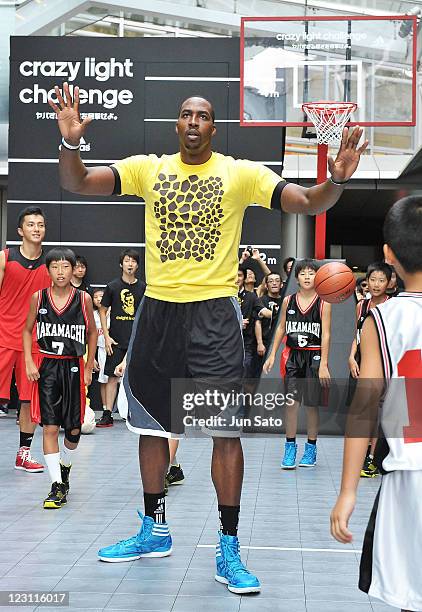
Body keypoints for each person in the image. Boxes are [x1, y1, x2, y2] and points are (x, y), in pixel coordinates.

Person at [49, 82, 367, 594]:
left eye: (202, 116)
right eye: (185, 115)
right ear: (176, 125)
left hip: (214, 318)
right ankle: (154, 529)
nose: (193, 121)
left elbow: (307, 200)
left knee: (226, 431)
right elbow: (80, 181)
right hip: (159, 314)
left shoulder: (238, 174)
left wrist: (334, 181)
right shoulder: (149, 169)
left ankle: (228, 544)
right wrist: (68, 142)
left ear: (213, 128)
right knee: (151, 426)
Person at [331, 195, 422, 612]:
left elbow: (365, 407)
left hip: (410, 472)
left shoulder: (383, 319)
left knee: (410, 594)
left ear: (388, 255)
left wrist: (348, 491)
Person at [22, 247, 96, 509]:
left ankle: (64, 466)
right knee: (50, 426)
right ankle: (56, 485)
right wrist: (30, 361)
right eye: (56, 267)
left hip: (74, 366)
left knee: (74, 430)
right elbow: (27, 330)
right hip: (48, 367)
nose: (61, 271)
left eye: (66, 266)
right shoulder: (38, 297)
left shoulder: (83, 299)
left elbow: (92, 333)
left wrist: (88, 366)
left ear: (73, 268)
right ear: (48, 270)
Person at [263, 260, 332, 468]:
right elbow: (281, 328)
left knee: (311, 406)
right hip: (293, 356)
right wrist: (273, 354)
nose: (308, 277)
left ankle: (311, 448)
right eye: (304, 273)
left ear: (317, 277)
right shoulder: (288, 301)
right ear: (297, 277)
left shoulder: (324, 302)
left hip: (314, 357)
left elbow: (327, 335)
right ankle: (290, 447)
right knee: (291, 404)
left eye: (312, 273)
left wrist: (324, 364)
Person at [0, 207, 51, 473]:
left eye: (40, 225)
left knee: (29, 401)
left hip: (33, 345)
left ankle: (24, 453)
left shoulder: (51, 265)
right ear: (20, 230)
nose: (36, 229)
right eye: (31, 224)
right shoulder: (5, 258)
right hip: (2, 338)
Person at [348, 261, 392, 478]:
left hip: (383, 364)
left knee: (377, 412)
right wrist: (351, 356)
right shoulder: (361, 306)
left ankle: (373, 460)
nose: (376, 284)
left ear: (389, 282)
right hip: (361, 361)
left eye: (381, 280)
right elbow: (357, 334)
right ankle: (365, 455)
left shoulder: (392, 306)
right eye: (372, 280)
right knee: (364, 411)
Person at [96, 249, 145, 428]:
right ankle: (107, 413)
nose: (130, 264)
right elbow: (102, 310)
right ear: (121, 264)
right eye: (127, 261)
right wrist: (107, 336)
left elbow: (145, 314)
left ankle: (136, 413)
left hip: (136, 340)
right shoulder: (113, 286)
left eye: (133, 261)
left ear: (137, 265)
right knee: (111, 378)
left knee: (136, 378)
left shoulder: (143, 288)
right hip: (115, 340)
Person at [92, 288, 109, 413]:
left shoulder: (114, 313)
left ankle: (126, 412)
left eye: (101, 296)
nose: (98, 299)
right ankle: (105, 410)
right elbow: (88, 337)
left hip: (116, 349)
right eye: (95, 297)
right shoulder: (91, 315)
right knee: (103, 380)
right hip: (102, 350)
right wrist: (92, 357)